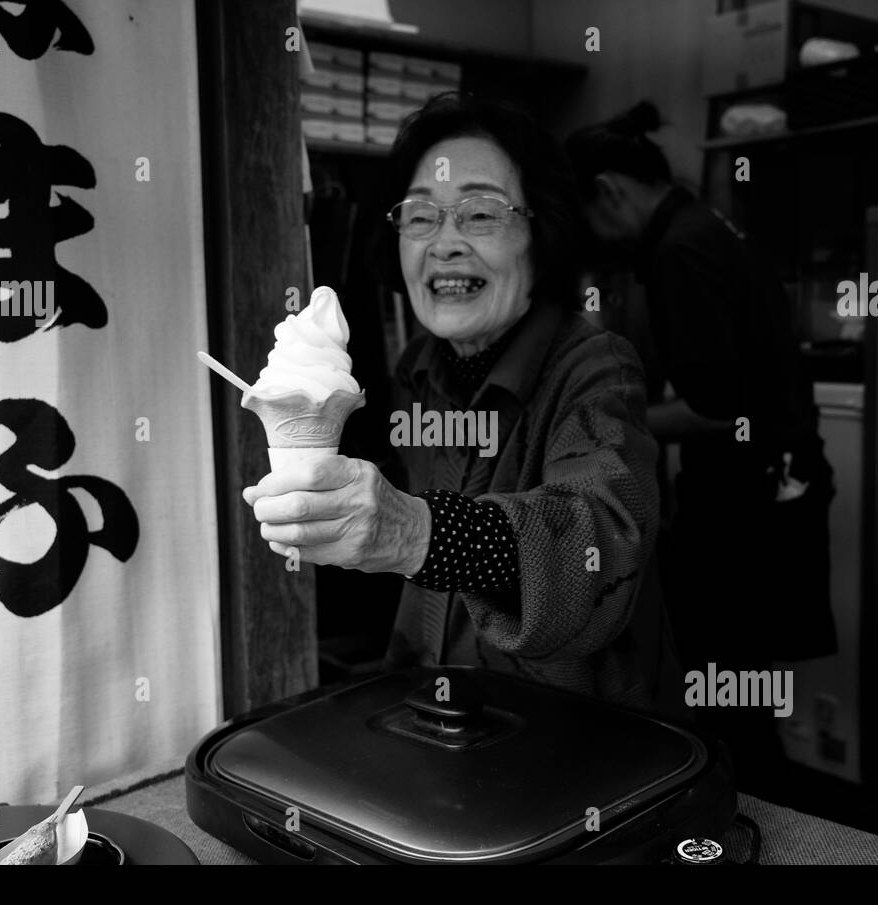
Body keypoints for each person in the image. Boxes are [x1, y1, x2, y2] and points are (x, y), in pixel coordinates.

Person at [243, 92, 687, 719]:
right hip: (441, 727)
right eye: (421, 216)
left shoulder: (596, 367)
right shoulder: (416, 370)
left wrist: (419, 532)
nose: (445, 243)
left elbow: (601, 539)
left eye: (480, 213)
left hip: (576, 749)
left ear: (541, 234)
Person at [566, 101, 836, 795]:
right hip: (778, 485)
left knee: (726, 691)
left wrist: (612, 420)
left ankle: (751, 825)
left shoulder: (679, 249)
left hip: (752, 502)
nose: (597, 242)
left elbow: (716, 407)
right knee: (736, 689)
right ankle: (756, 816)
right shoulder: (704, 225)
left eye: (587, 219)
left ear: (609, 192)